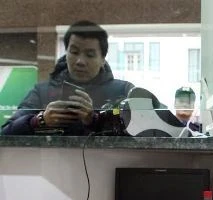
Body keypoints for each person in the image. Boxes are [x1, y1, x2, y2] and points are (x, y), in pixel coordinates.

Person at [1, 20, 134, 136]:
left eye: (90, 54)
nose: (80, 61)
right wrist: (40, 120)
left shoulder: (123, 91)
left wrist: (95, 120)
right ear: (66, 52)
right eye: (74, 52)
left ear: (103, 59)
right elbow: (5, 133)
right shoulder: (42, 92)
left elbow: (141, 136)